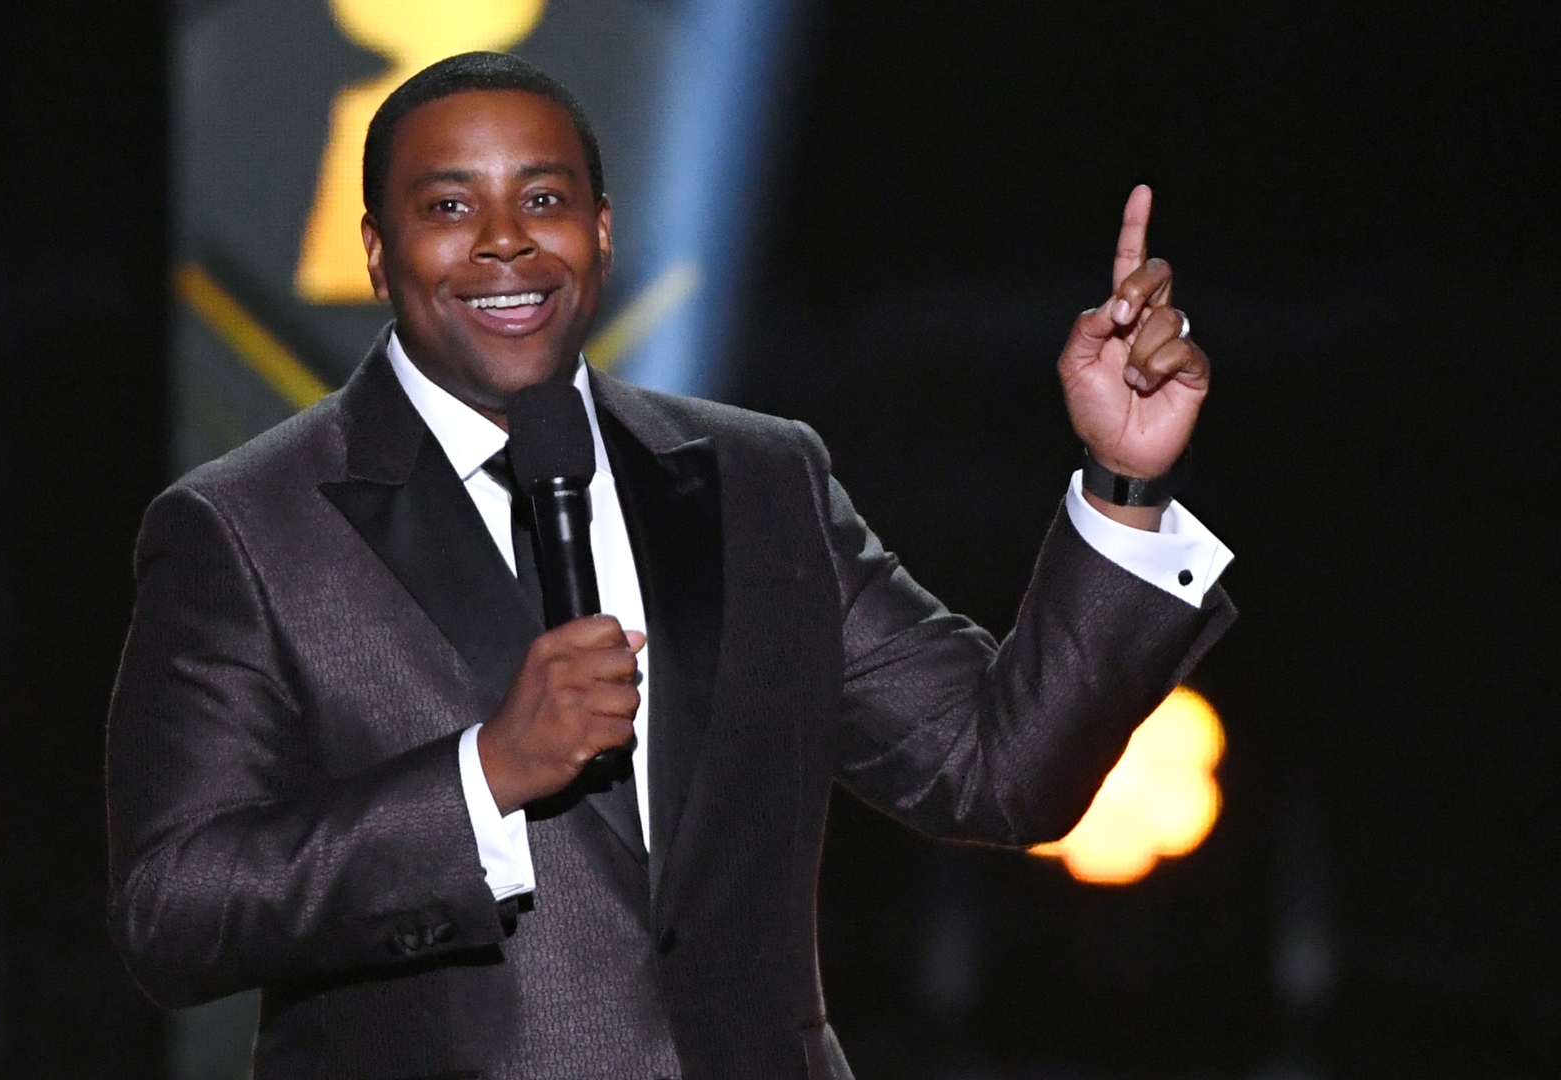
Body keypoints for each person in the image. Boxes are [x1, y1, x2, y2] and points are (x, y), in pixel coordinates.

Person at [107, 51, 1234, 1080]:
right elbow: (173, 912)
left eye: (542, 200)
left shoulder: (761, 483)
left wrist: (1122, 482)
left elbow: (996, 771)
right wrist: (483, 777)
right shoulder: (246, 528)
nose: (504, 241)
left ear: (602, 231)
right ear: (375, 248)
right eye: (448, 206)